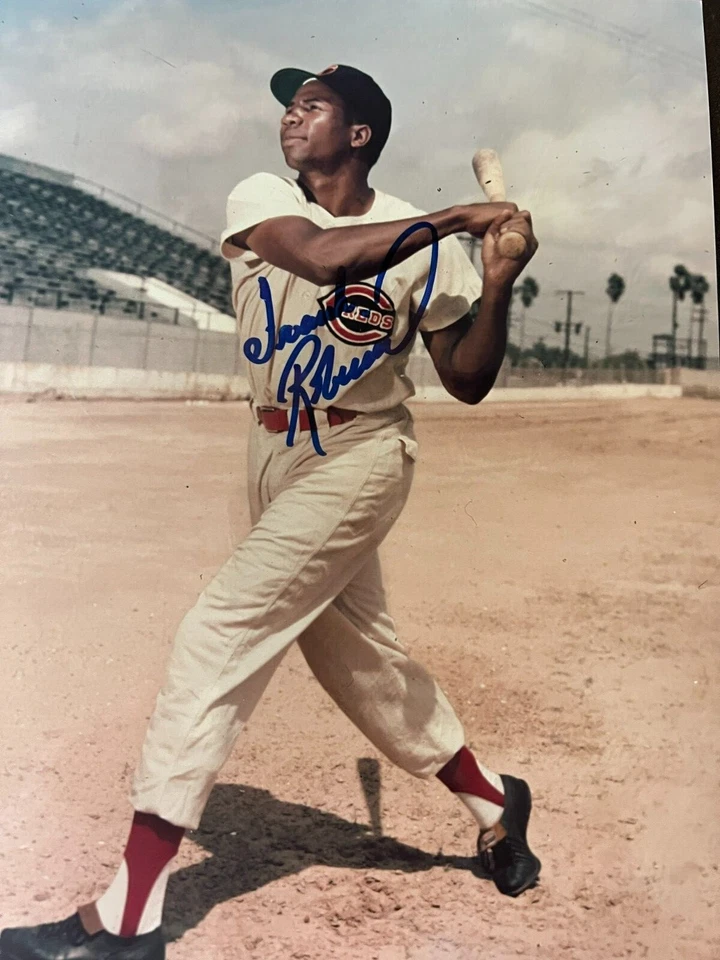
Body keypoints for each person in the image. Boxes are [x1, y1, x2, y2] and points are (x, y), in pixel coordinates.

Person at [1, 63, 540, 960]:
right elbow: (328, 256)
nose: (292, 115)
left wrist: (495, 282)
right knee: (361, 663)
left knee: (218, 635)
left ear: (359, 133)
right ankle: (495, 801)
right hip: (272, 449)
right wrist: (456, 218)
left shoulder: (429, 248)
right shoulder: (264, 197)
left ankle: (128, 919)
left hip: (360, 451)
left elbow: (468, 381)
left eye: (314, 104)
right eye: (291, 104)